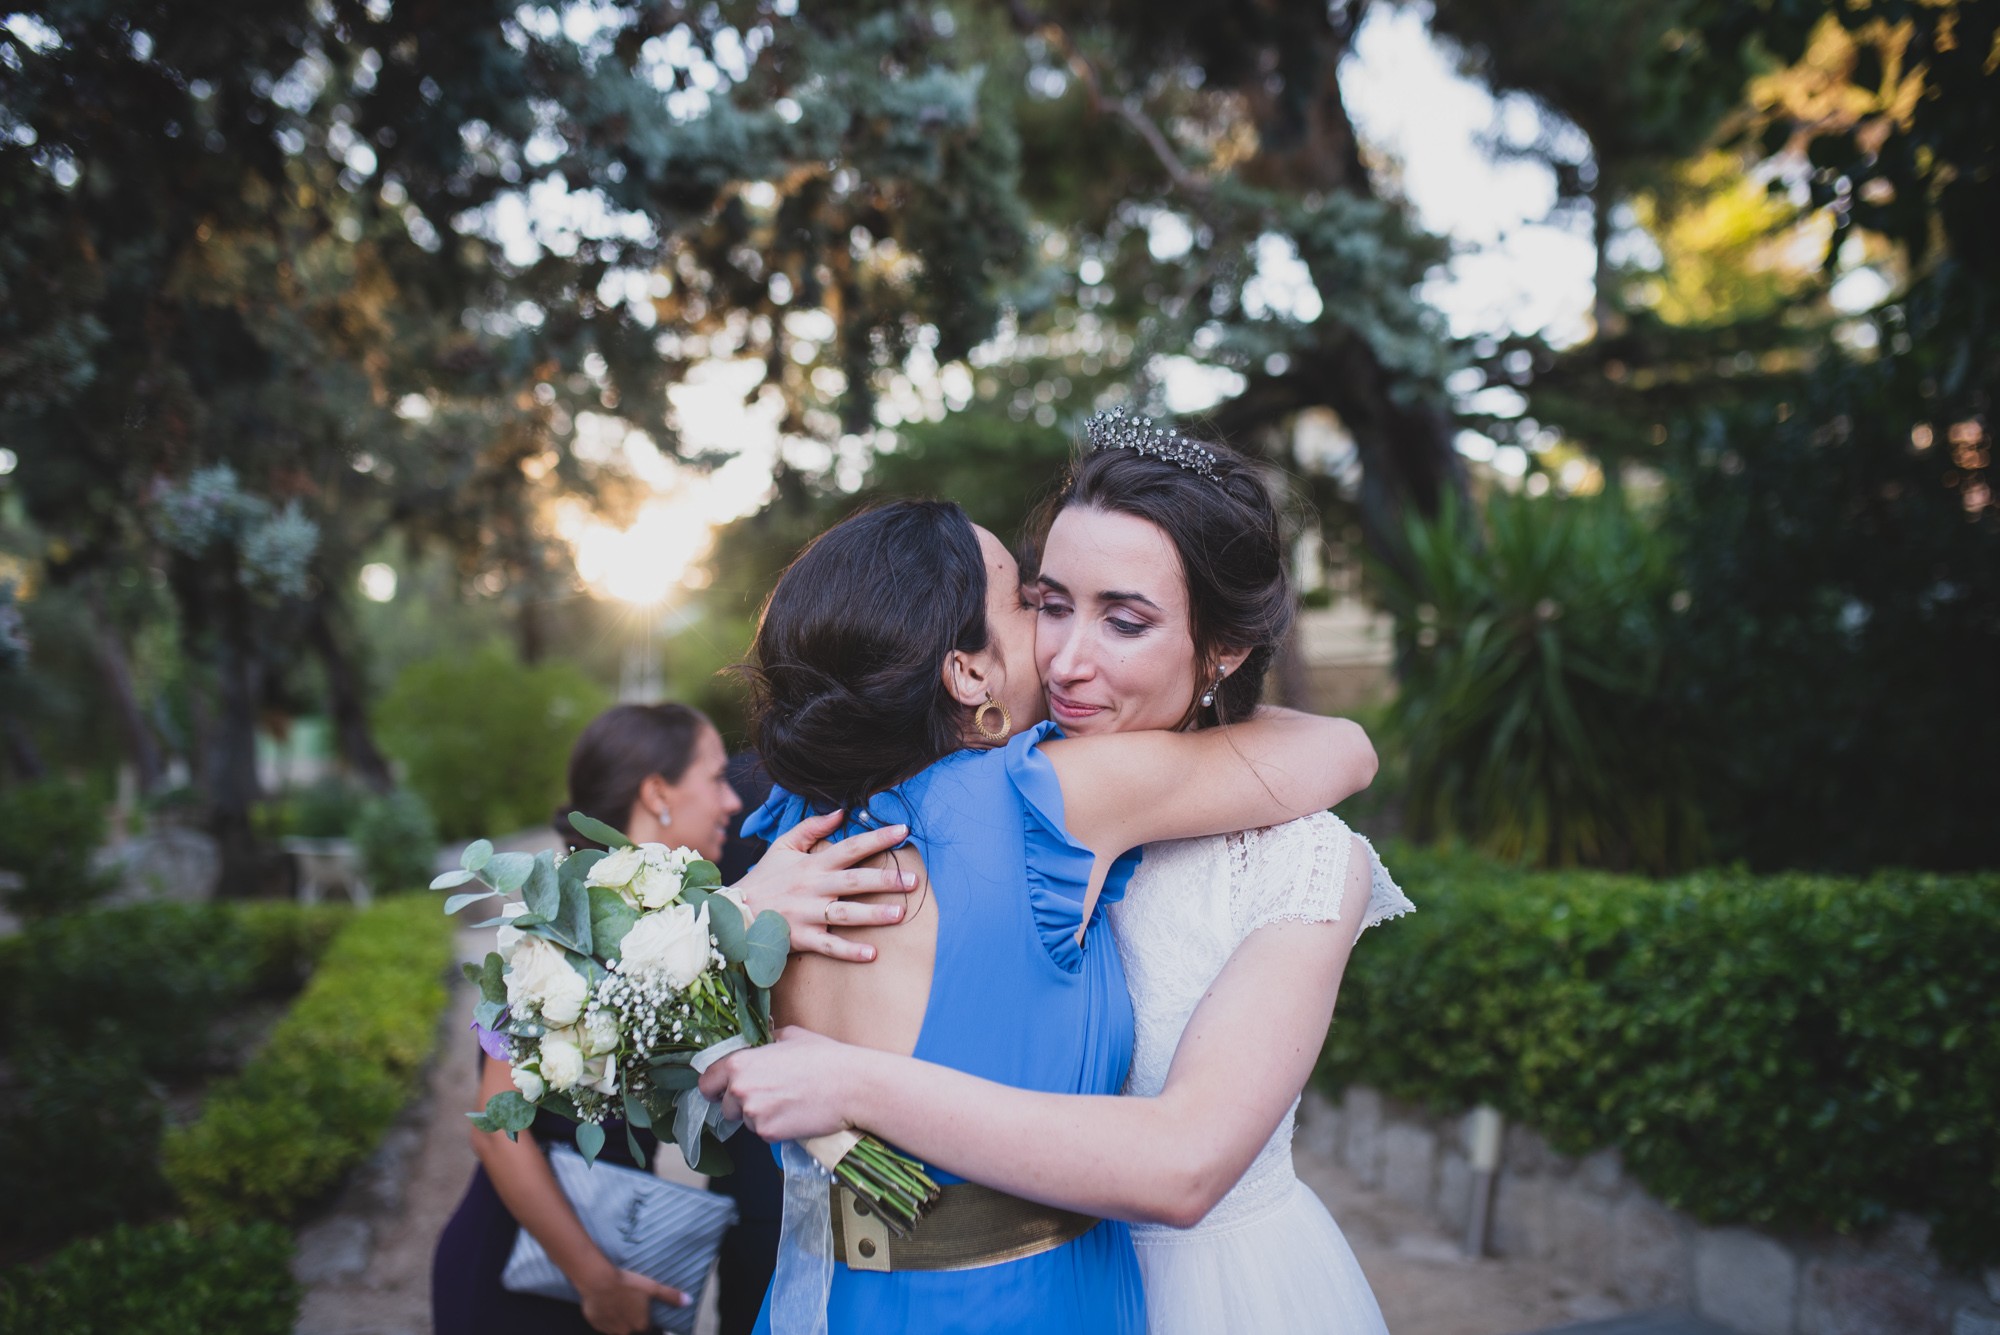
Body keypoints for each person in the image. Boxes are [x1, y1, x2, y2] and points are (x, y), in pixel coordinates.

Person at [702, 417, 1410, 1333]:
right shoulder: (1039, 794)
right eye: (1045, 602)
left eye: (1124, 619)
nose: (1065, 659)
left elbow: (1186, 1160)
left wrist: (725, 930)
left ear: (1225, 644)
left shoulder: (803, 821)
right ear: (964, 669)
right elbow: (1341, 746)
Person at [432, 702, 923, 1335]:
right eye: (715, 778)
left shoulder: (685, 922)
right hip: (525, 1273)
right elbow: (496, 1134)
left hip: (608, 1249)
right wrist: (596, 1281)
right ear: (658, 793)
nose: (731, 802)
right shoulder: (558, 928)